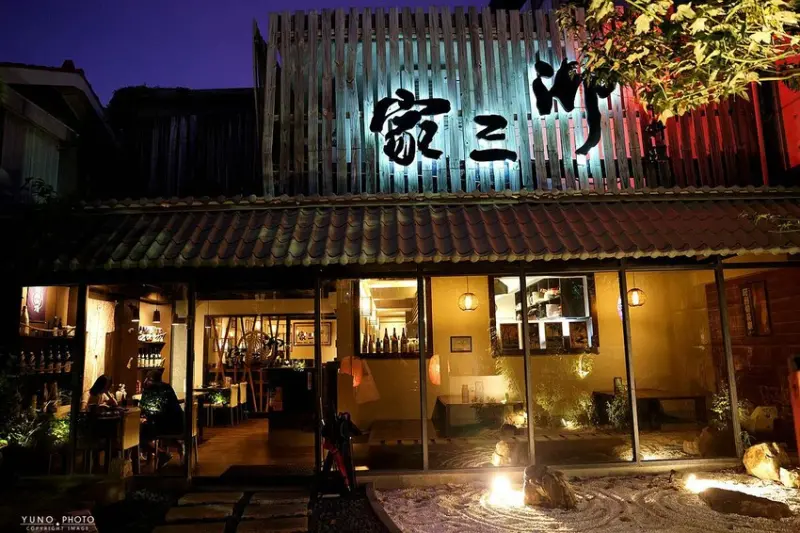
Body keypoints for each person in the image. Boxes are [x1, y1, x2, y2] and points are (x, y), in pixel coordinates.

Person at [139, 368, 184, 469]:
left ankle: (161, 454)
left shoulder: (158, 389)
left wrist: (146, 416)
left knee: (139, 434)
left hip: (166, 423)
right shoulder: (166, 387)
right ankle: (171, 449)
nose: (146, 381)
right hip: (175, 423)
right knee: (144, 430)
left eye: (148, 379)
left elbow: (156, 409)